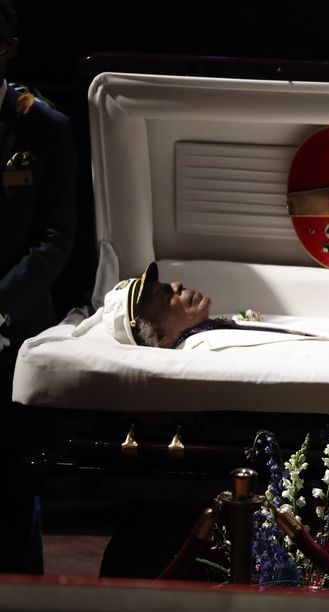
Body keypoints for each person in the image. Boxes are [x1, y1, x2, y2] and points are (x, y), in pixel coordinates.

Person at [0, 0, 77, 574]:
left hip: (11, 331)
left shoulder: (43, 126)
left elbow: (55, 241)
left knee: (9, 486)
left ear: (8, 48)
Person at [102, 262, 329, 349]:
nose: (177, 285)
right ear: (162, 338)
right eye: (166, 295)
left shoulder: (208, 330)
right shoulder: (206, 349)